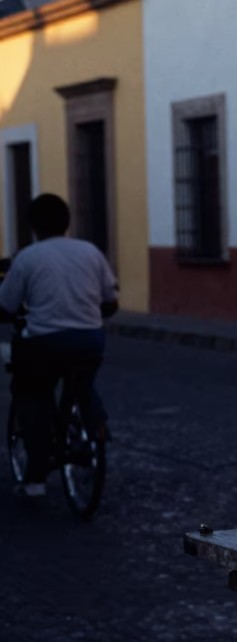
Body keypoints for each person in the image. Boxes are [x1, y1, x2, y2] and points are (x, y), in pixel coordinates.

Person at [0, 193, 118, 498]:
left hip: (44, 344)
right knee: (83, 381)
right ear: (67, 222)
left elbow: (7, 305)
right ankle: (96, 424)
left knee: (31, 394)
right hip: (90, 340)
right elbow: (110, 301)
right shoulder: (90, 251)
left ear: (33, 226)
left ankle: (35, 478)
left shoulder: (27, 257)